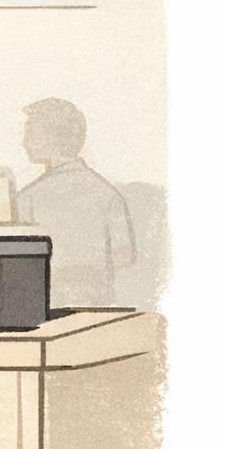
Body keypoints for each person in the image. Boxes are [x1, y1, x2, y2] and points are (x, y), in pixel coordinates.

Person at [15, 98, 135, 307]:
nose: (24, 142)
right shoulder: (108, 194)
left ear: (53, 138)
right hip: (99, 312)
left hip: (46, 311)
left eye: (31, 134)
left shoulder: (27, 198)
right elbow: (124, 257)